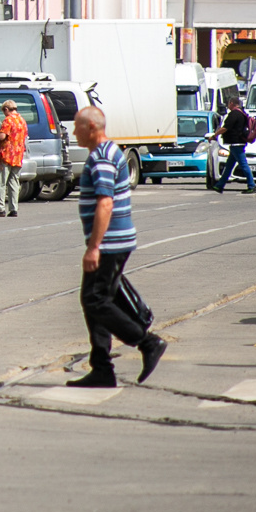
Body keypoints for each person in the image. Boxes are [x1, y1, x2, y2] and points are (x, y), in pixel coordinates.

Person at [67, 107, 165, 389]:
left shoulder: (102, 159)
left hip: (110, 243)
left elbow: (105, 203)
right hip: (113, 241)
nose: (74, 133)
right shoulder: (109, 152)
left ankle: (147, 343)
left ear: (91, 128)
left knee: (95, 300)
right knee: (97, 301)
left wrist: (94, 247)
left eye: (77, 127)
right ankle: (101, 369)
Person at [214, 94, 256, 194]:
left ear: (232, 103)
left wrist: (215, 135)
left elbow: (225, 127)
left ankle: (252, 185)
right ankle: (220, 185)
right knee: (228, 167)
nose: (228, 106)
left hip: (236, 144)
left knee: (244, 165)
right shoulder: (243, 113)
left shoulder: (234, 114)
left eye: (228, 104)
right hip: (238, 143)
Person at [0, 99, 28, 218]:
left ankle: (0, 209)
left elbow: (2, 137)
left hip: (7, 155)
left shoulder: (8, 120)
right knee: (14, 182)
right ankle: (14, 209)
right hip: (18, 155)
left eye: (4, 111)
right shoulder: (22, 120)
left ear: (6, 109)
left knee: (1, 183)